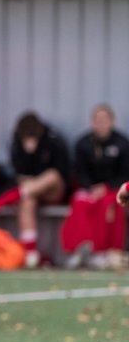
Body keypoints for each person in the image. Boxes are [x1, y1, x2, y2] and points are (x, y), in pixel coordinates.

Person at [0, 112, 70, 268]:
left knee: (51, 176)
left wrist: (35, 181)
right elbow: (18, 174)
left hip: (53, 191)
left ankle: (10, 197)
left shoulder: (53, 141)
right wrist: (28, 181)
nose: (29, 144)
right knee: (26, 201)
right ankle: (30, 254)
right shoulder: (16, 144)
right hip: (30, 192)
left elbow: (62, 173)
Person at [62, 104, 129, 269]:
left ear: (112, 122)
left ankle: (106, 252)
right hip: (90, 189)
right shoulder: (83, 144)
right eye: (97, 120)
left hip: (114, 189)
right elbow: (78, 171)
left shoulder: (122, 144)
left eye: (104, 120)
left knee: (112, 205)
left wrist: (107, 187)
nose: (101, 124)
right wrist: (91, 187)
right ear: (92, 122)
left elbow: (125, 172)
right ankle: (80, 248)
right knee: (80, 202)